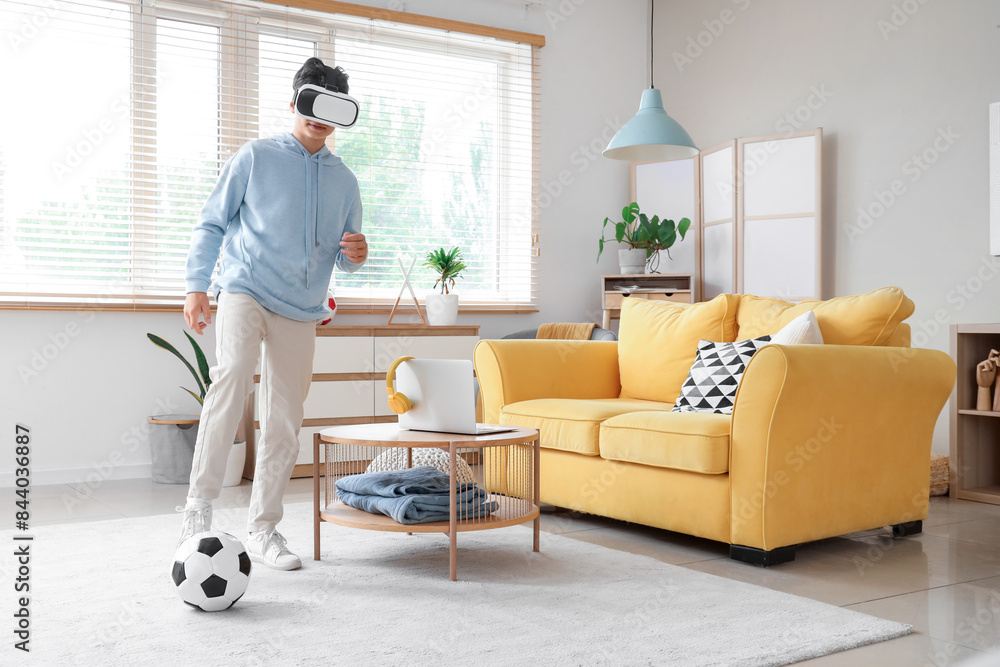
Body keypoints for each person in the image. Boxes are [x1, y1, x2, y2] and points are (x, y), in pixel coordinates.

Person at [177, 57, 367, 570]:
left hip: (301, 309)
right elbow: (212, 222)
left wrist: (356, 255)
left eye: (333, 109)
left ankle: (264, 529)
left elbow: (344, 260)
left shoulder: (346, 183)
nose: (320, 117)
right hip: (245, 287)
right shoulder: (256, 156)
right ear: (295, 103)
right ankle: (198, 508)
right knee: (233, 377)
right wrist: (197, 286)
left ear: (341, 116)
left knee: (284, 416)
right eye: (313, 103)